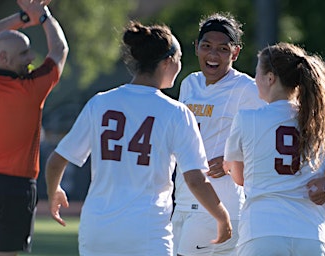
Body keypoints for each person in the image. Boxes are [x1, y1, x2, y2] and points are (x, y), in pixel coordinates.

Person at [45, 21, 231, 256]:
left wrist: (54, 192)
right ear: (167, 61)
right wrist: (222, 216)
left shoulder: (100, 102)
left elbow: (56, 160)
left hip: (97, 231)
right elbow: (195, 179)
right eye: (179, 58)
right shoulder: (176, 113)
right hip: (146, 233)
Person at [224, 43, 325, 256]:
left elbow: (239, 178)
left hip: (262, 231)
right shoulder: (317, 123)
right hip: (309, 234)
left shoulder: (246, 119)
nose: (255, 79)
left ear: (270, 78)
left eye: (257, 73)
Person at [171, 12, 265, 256]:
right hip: (182, 198)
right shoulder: (189, 83)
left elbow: (267, 137)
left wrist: (229, 162)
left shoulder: (247, 88)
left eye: (223, 48)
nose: (213, 55)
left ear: (235, 52)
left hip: (218, 203)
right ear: (196, 48)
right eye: (207, 46)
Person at [0, 0, 68, 255]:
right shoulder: (31, 89)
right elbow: (60, 49)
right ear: (5, 57)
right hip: (14, 189)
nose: (31, 58)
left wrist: (22, 17)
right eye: (24, 54)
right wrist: (42, 17)